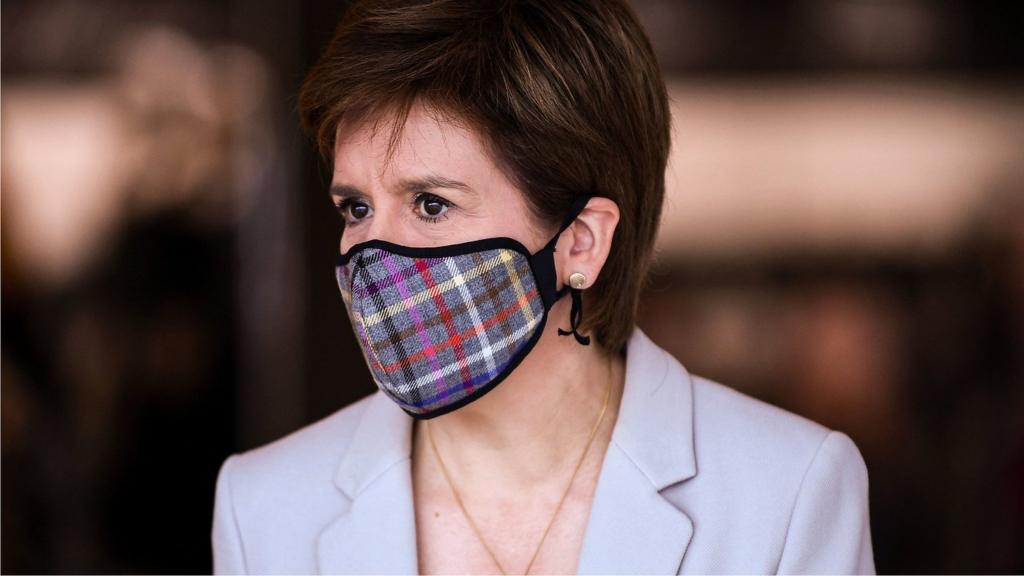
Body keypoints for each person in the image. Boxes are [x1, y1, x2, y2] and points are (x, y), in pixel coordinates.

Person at [211, 0, 875, 573]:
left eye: (431, 205)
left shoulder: (787, 491)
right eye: (356, 208)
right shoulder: (265, 506)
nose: (372, 256)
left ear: (580, 242)